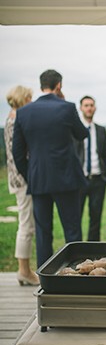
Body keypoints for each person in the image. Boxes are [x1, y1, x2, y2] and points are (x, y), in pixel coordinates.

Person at [12, 69, 88, 267]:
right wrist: (65, 103)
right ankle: (76, 274)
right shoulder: (67, 107)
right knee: (72, 230)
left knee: (43, 232)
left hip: (38, 180)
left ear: (41, 86)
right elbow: (81, 134)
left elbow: (17, 154)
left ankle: (45, 278)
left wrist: (31, 175)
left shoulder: (23, 112)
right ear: (59, 86)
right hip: (67, 180)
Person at [5, 86, 39, 285]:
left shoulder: (12, 117)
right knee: (26, 225)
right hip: (23, 180)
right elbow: (18, 154)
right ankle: (24, 271)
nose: (32, 100)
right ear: (23, 98)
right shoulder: (16, 119)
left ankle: (24, 269)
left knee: (26, 223)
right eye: (29, 97)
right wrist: (29, 178)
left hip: (17, 178)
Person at [76, 95, 106, 241]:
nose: (89, 108)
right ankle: (75, 249)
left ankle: (93, 250)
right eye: (86, 105)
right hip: (79, 180)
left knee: (95, 219)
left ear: (95, 108)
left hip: (98, 180)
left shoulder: (101, 130)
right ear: (81, 108)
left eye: (91, 105)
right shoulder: (76, 130)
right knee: (75, 218)